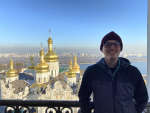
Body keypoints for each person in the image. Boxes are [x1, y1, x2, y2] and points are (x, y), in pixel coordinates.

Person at [78, 31, 148, 113]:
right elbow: (83, 98)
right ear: (101, 49)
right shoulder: (91, 72)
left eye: (116, 44)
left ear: (120, 48)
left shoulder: (132, 72)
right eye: (107, 44)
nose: (112, 47)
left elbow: (143, 98)